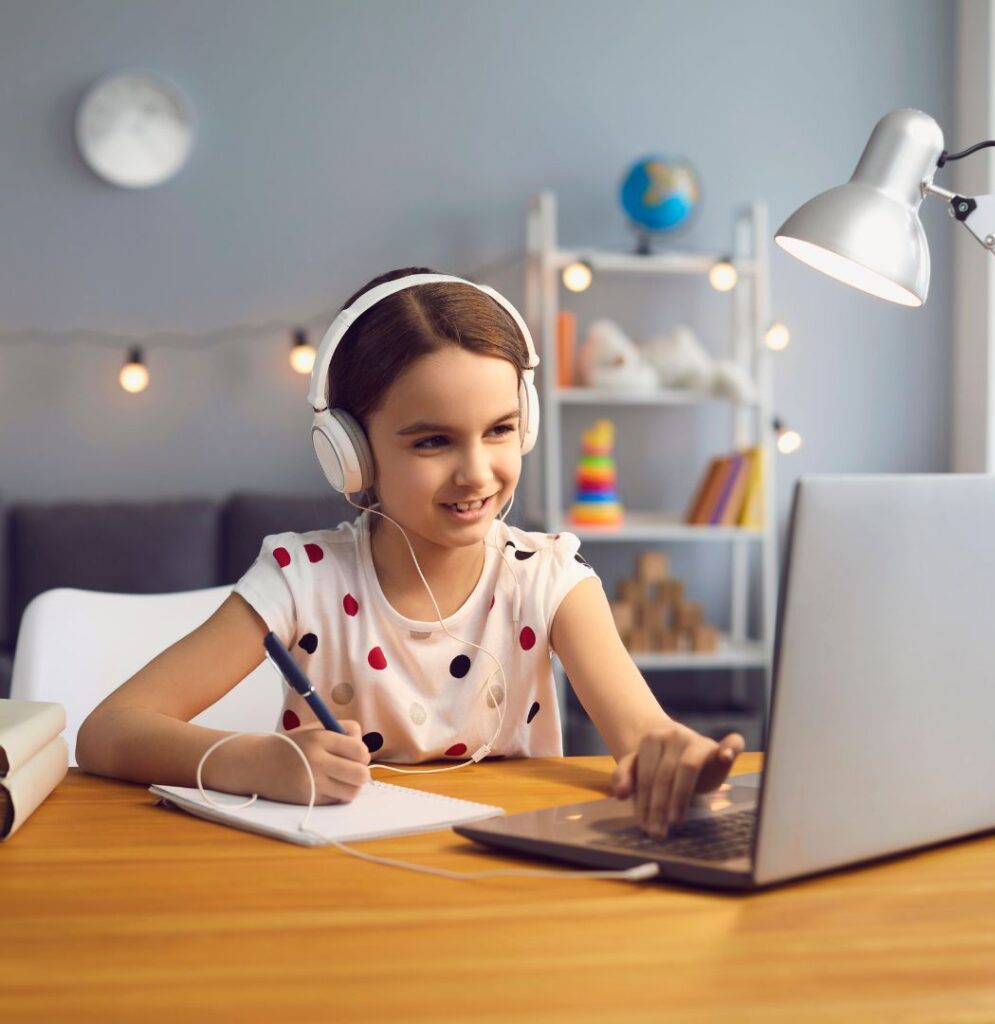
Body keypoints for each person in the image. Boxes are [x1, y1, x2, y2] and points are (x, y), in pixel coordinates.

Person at [77, 268, 744, 839]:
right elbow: (107, 732)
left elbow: (645, 733)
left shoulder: (549, 579)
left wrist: (672, 755)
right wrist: (251, 761)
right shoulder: (299, 580)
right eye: (432, 442)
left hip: (502, 875)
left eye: (500, 430)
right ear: (350, 453)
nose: (476, 473)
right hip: (333, 876)